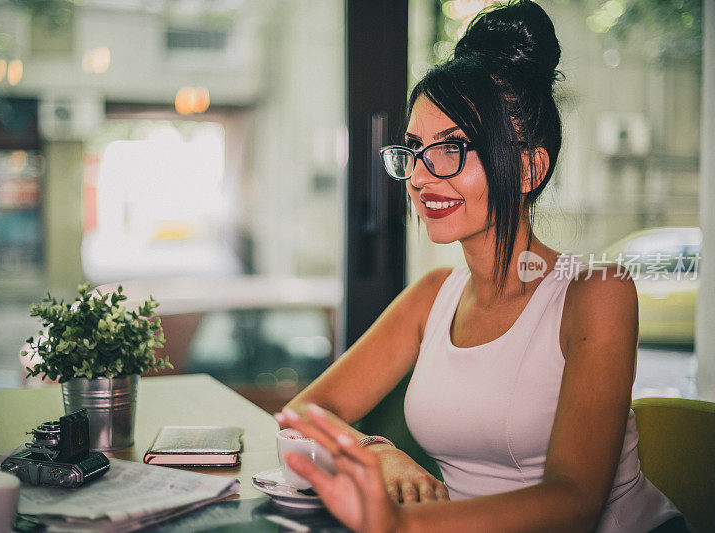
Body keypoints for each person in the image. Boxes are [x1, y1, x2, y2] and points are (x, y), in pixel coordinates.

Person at [275, 1, 687, 532]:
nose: (421, 177)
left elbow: (574, 501)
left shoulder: (596, 292)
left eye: (451, 148)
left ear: (527, 166)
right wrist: (374, 449)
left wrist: (403, 525)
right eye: (415, 149)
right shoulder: (432, 296)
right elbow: (303, 415)